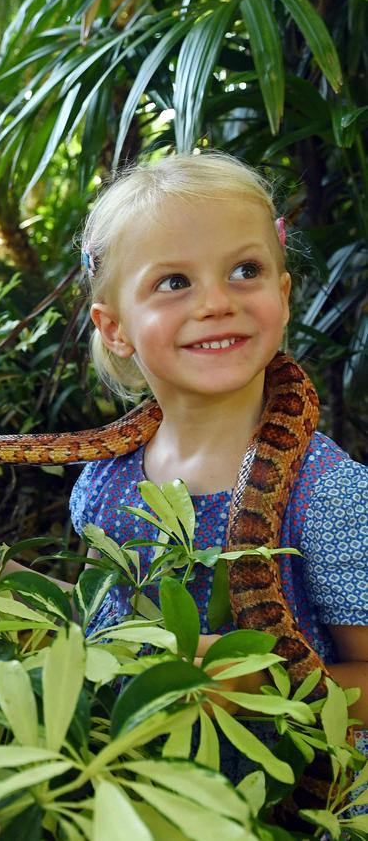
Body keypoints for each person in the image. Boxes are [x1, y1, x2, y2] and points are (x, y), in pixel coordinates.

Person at [69, 152, 368, 726]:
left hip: (302, 801)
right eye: (174, 282)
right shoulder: (106, 480)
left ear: (283, 296)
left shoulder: (331, 497)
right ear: (115, 328)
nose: (215, 303)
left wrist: (266, 683)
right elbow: (98, 616)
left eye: (245, 271)